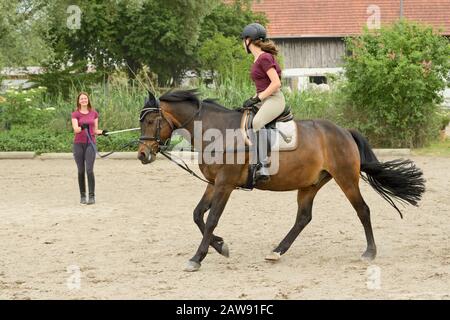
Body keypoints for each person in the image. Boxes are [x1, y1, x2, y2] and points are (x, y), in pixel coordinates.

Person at [241, 22, 285, 182]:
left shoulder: (264, 58)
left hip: (275, 99)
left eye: (243, 40)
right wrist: (252, 99)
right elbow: (262, 86)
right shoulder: (258, 59)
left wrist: (257, 98)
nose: (242, 44)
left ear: (248, 40)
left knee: (258, 122)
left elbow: (275, 83)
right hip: (265, 98)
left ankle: (264, 165)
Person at [71, 92, 108, 205]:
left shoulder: (94, 113)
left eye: (85, 98)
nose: (83, 100)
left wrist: (103, 132)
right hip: (78, 144)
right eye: (81, 99)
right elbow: (76, 129)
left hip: (91, 143)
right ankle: (83, 196)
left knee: (89, 170)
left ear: (88, 100)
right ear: (78, 101)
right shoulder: (75, 114)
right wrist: (82, 127)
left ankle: (91, 196)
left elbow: (95, 130)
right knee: (81, 170)